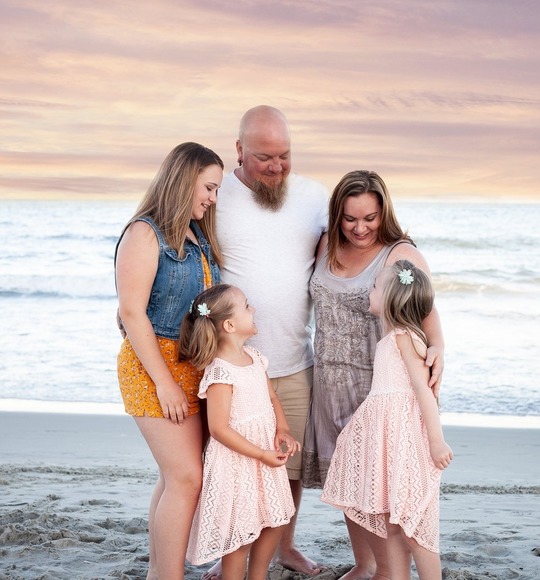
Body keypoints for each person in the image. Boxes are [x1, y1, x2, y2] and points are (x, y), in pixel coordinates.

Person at [302, 169, 444, 579]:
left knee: (379, 482)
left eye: (370, 218)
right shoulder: (326, 244)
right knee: (349, 478)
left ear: (384, 213)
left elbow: (425, 311)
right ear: (337, 215)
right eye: (350, 218)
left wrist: (438, 348)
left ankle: (387, 569)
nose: (360, 228)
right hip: (329, 381)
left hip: (377, 386)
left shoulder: (399, 253)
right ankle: (365, 564)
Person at [208, 105, 328, 577]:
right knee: (231, 470)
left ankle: (286, 547)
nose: (277, 167)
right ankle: (229, 555)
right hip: (232, 365)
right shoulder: (216, 196)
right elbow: (173, 251)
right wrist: (130, 304)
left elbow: (365, 239)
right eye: (264, 157)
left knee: (287, 467)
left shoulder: (314, 196)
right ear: (239, 150)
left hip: (294, 357)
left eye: (285, 155)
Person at [115, 142, 224, 580]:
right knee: (186, 477)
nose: (213, 198)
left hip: (192, 366)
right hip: (152, 366)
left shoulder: (199, 235)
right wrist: (164, 382)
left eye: (216, 190)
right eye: (209, 187)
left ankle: (159, 572)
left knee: (175, 475)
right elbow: (131, 313)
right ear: (184, 179)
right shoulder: (144, 233)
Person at [321, 260, 453, 580]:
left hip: (407, 444)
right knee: (391, 523)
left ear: (392, 297)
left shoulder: (405, 337)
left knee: (413, 526)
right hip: (389, 445)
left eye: (376, 286)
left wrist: (437, 442)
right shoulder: (389, 339)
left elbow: (424, 392)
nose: (370, 290)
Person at [178, 284, 301, 580]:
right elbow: (219, 429)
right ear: (230, 325)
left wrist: (283, 429)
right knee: (240, 532)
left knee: (276, 519)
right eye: (247, 306)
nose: (253, 309)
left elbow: (271, 398)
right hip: (238, 461)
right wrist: (260, 453)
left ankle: (257, 575)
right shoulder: (220, 372)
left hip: (264, 454)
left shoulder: (255, 357)